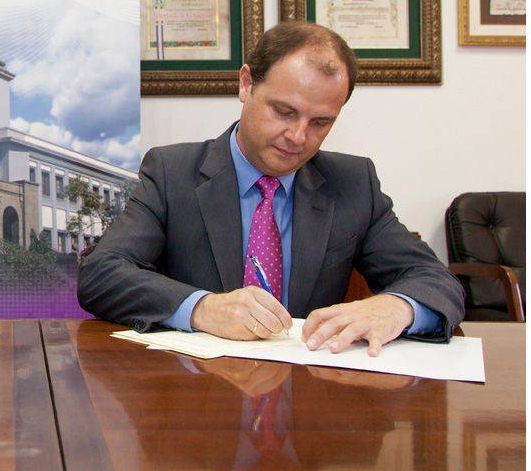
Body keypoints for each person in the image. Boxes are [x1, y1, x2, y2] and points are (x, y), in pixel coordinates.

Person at [78, 22, 464, 355]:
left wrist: (397, 307)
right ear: (246, 84)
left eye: (320, 123)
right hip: (197, 390)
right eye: (284, 112)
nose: (298, 136)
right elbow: (101, 275)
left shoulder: (352, 183)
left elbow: (436, 281)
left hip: (310, 393)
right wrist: (202, 308)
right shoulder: (172, 172)